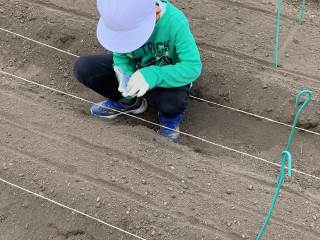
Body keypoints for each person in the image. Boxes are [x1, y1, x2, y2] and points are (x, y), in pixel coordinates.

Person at [74, 0, 202, 141]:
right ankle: (129, 102)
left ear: (156, 11)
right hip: (137, 71)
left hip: (165, 76)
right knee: (84, 67)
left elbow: (192, 66)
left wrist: (152, 74)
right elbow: (121, 55)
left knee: (172, 101)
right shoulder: (123, 19)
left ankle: (169, 120)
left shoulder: (175, 22)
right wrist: (124, 74)